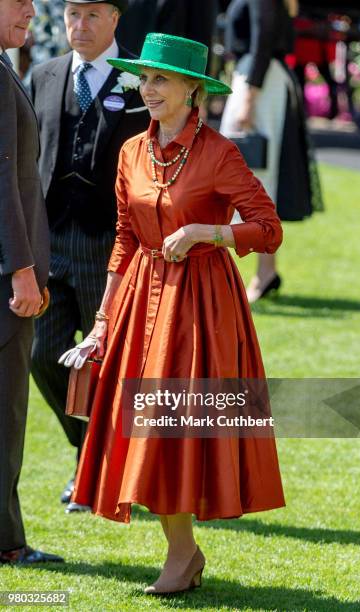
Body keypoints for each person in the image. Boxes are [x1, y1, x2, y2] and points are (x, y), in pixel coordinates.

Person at [59, 33, 286, 593]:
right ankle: (183, 554)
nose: (148, 89)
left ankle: (183, 556)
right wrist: (104, 321)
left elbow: (269, 227)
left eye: (161, 79)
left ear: (192, 90)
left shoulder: (219, 154)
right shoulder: (132, 151)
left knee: (172, 429)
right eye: (145, 78)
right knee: (143, 432)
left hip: (201, 309)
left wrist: (210, 231)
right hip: (140, 303)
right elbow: (123, 240)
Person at [30, 0, 149, 512]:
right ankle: (87, 452)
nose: (79, 26)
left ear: (116, 20)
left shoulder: (143, 81)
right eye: (73, 15)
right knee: (43, 356)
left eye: (93, 15)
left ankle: (113, 470)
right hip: (48, 241)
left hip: (111, 245)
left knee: (110, 366)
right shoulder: (43, 74)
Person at [0, 0, 63, 564]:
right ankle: (7, 544)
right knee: (5, 417)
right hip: (6, 283)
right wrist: (21, 269)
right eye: (17, 1)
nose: (31, 10)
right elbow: (1, 180)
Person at [220, 0, 324, 302]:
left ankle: (263, 272)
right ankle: (265, 270)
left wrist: (249, 99)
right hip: (260, 80)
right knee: (255, 176)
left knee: (254, 177)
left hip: (258, 84)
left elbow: (263, 41)